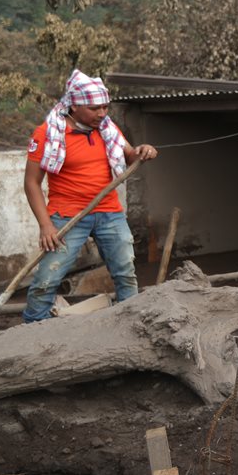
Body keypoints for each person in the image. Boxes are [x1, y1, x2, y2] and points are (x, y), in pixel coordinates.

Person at [21, 70, 158, 322]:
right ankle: (32, 327)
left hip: (109, 212)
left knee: (125, 270)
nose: (102, 113)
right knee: (48, 278)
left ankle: (132, 320)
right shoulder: (48, 134)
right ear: (74, 106)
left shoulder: (106, 128)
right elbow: (31, 183)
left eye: (105, 107)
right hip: (67, 215)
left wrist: (142, 151)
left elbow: (129, 154)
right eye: (95, 108)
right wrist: (45, 225)